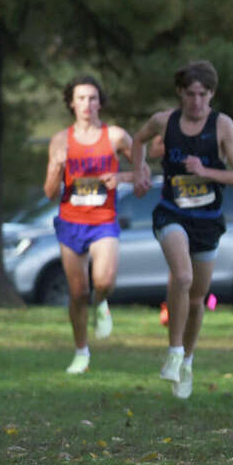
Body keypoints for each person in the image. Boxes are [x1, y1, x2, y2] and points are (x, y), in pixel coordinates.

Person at [131, 60, 233, 399]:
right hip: (171, 212)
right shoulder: (164, 121)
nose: (197, 101)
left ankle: (188, 359)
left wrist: (204, 172)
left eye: (203, 94)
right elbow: (138, 140)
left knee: (197, 298)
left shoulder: (222, 126)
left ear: (211, 94)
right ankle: (173, 352)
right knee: (181, 278)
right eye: (190, 94)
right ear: (180, 93)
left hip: (208, 220)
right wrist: (139, 169)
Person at [43, 75, 141, 375]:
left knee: (104, 280)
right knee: (77, 291)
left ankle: (103, 303)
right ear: (71, 103)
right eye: (81, 98)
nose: (87, 104)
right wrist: (57, 168)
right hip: (71, 221)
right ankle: (81, 351)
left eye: (92, 98)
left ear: (100, 102)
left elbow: (143, 172)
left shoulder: (115, 137)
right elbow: (49, 193)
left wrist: (121, 177)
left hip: (103, 221)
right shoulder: (60, 140)